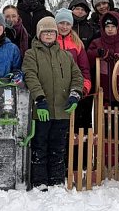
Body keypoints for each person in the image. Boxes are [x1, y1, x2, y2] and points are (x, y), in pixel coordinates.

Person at [23, 16, 84, 189]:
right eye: (45, 32)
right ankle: (39, 180)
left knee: (58, 146)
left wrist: (74, 95)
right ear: (39, 34)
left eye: (51, 32)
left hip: (62, 110)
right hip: (42, 109)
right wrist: (39, 99)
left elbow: (77, 77)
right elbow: (30, 76)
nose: (49, 35)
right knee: (40, 145)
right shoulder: (31, 54)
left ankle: (57, 180)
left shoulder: (66, 55)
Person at [87, 11, 119, 104]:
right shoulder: (96, 43)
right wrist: (97, 53)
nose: (110, 29)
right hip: (102, 88)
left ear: (118, 28)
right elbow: (88, 60)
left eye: (113, 27)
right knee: (102, 116)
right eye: (107, 27)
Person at [54, 9, 91, 97]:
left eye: (68, 24)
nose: (64, 27)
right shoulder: (50, 41)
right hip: (53, 89)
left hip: (73, 89)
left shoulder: (77, 43)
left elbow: (84, 68)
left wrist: (84, 87)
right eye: (61, 23)